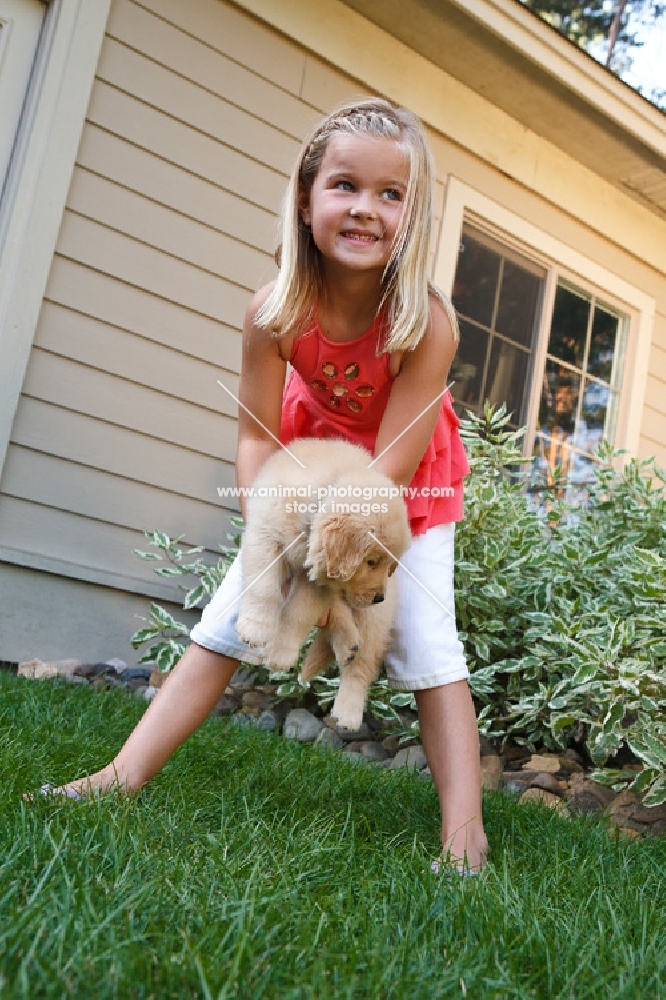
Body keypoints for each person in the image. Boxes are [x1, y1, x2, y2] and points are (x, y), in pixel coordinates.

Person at [39, 99, 488, 874]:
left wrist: (339, 551)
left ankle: (464, 834)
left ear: (414, 217)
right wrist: (269, 532)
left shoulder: (426, 323)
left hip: (398, 489)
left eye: (392, 195)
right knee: (230, 610)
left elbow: (394, 466)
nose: (366, 209)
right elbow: (255, 432)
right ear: (308, 196)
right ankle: (120, 775)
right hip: (307, 475)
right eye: (345, 185)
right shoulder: (274, 311)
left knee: (423, 636)